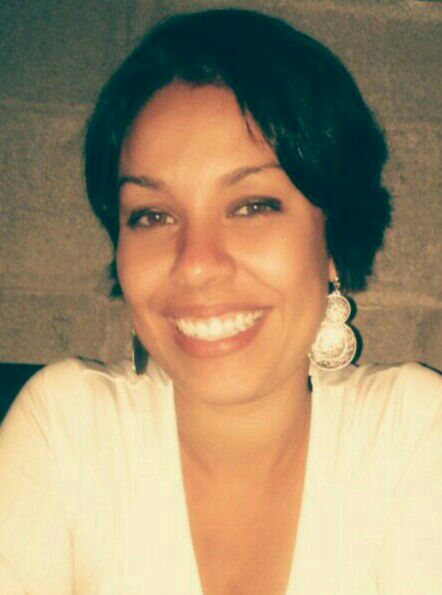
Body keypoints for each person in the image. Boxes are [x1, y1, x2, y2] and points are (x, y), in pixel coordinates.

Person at [0, 8, 440, 595]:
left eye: (253, 206)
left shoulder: (413, 436)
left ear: (333, 239)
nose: (196, 263)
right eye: (152, 215)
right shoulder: (65, 433)